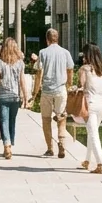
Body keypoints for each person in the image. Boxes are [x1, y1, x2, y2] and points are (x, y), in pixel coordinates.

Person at [34, 29, 73, 158]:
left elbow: (39, 72)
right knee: (61, 119)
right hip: (61, 89)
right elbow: (70, 69)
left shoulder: (43, 52)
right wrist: (69, 85)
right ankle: (61, 142)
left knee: (46, 119)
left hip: (46, 90)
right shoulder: (65, 53)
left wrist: (35, 91)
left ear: (47, 39)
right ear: (58, 38)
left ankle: (50, 148)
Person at [0, 38, 28, 160]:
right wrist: (25, 96)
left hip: (2, 96)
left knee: (4, 121)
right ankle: (9, 143)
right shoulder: (20, 63)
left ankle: (7, 145)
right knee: (12, 121)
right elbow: (22, 80)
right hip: (15, 97)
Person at [77, 43, 102, 174]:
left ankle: (100, 164)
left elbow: (81, 85)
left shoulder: (84, 69)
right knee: (92, 132)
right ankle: (87, 161)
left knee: (93, 134)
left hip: (90, 104)